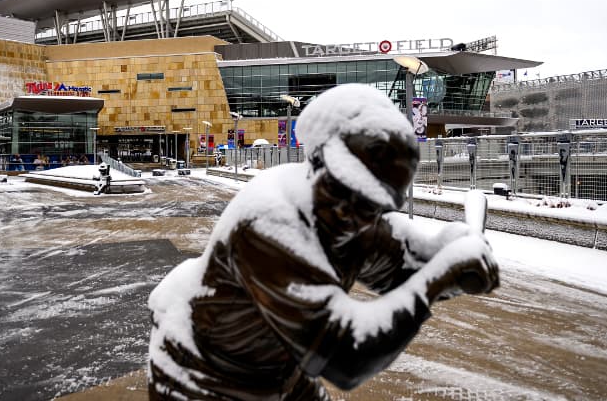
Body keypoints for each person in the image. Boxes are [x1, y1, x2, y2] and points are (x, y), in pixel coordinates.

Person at [148, 85, 498, 401]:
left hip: (280, 372)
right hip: (202, 376)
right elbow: (345, 357)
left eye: (369, 203)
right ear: (316, 162)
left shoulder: (359, 222)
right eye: (339, 188)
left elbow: (409, 269)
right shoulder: (270, 223)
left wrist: (451, 249)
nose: (349, 212)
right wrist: (438, 278)